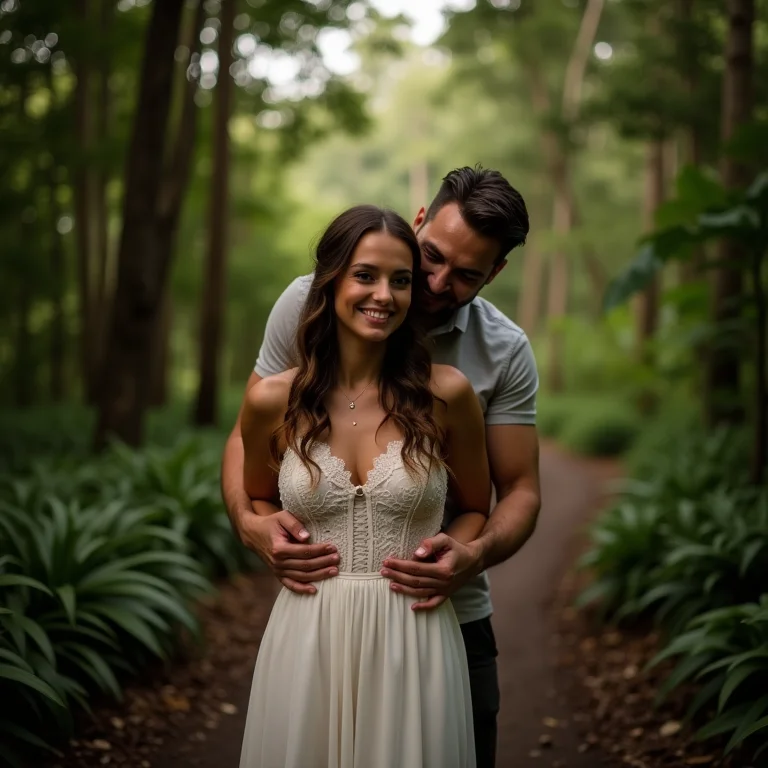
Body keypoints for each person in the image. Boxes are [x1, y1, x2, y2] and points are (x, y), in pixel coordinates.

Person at [222, 165, 542, 768]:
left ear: (495, 273)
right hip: (316, 627)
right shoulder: (306, 302)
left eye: (466, 275)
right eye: (432, 257)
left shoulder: (498, 354)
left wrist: (471, 554)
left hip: (441, 615)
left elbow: (519, 488)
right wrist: (250, 522)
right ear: (420, 221)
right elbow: (248, 435)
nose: (434, 283)